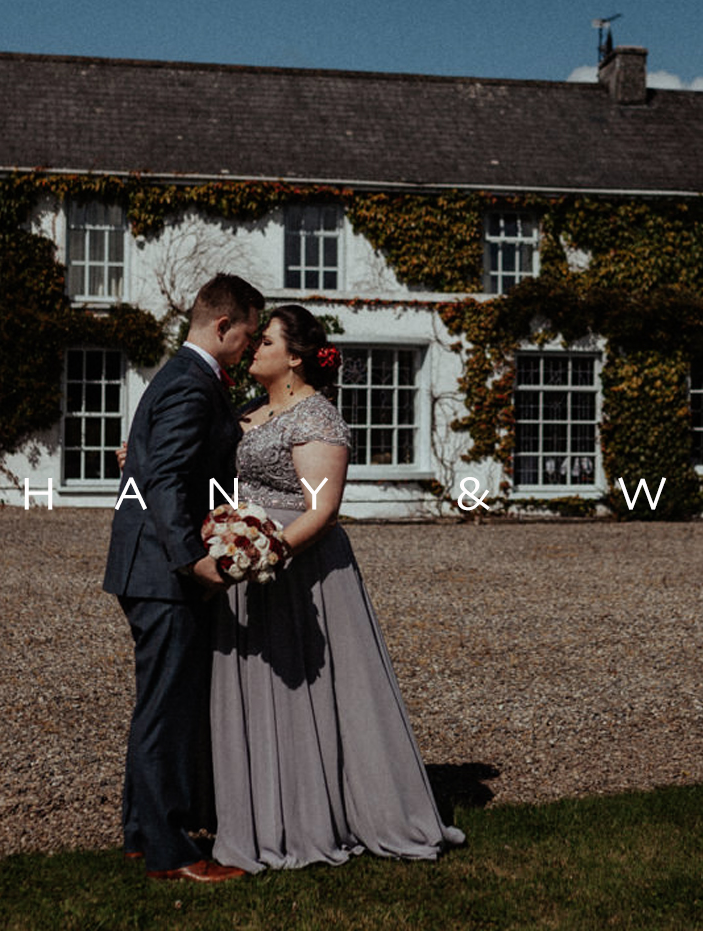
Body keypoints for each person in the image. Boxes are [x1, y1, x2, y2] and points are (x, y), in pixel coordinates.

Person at [209, 304, 465, 872]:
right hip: (247, 566)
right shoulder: (248, 410)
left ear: (294, 357)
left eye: (266, 341)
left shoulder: (317, 417)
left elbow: (322, 510)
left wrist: (260, 555)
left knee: (308, 694)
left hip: (300, 571)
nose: (254, 348)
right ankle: (257, 811)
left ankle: (312, 814)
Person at [102, 273, 263, 883]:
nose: (247, 349)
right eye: (246, 336)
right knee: (166, 709)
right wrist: (192, 560)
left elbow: (157, 462)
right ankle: (172, 852)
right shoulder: (192, 386)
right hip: (161, 571)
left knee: (160, 704)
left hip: (145, 565)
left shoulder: (183, 377)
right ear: (222, 326)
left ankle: (144, 834)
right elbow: (164, 480)